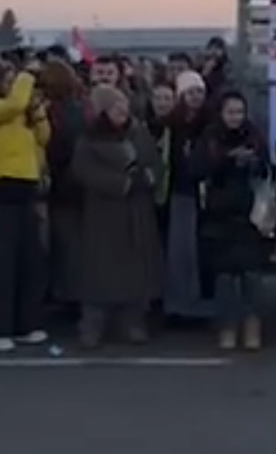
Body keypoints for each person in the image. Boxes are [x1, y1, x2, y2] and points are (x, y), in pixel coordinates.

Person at [71, 85, 163, 348]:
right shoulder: (89, 140)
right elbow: (83, 171)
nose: (122, 111)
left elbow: (155, 163)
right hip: (104, 214)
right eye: (115, 106)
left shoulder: (139, 133)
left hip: (137, 211)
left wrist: (147, 178)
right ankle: (92, 326)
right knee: (100, 273)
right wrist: (120, 183)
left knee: (136, 272)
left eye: (123, 105)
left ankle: (133, 322)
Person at [0, 57, 50, 352]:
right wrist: (27, 76)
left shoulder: (19, 106)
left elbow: (44, 136)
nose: (11, 83)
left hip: (26, 186)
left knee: (30, 260)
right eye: (6, 77)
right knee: (0, 263)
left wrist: (38, 110)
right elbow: (13, 105)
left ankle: (26, 324)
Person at [192, 91, 270, 351]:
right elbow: (196, 170)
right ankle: (227, 326)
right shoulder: (210, 138)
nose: (236, 117)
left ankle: (252, 325)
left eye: (239, 112)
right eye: (231, 112)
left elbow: (267, 169)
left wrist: (252, 162)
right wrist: (226, 161)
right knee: (224, 278)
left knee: (252, 277)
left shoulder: (255, 136)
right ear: (221, 113)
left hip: (250, 216)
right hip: (218, 215)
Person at [163, 70, 212, 323]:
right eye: (190, 92)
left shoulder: (211, 123)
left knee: (202, 252)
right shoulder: (173, 125)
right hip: (182, 192)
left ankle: (200, 301)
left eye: (200, 92)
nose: (196, 97)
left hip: (207, 193)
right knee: (181, 252)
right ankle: (179, 304)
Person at [40, 59, 86, 307]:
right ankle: (70, 294)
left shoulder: (51, 113)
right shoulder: (79, 110)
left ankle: (62, 295)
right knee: (72, 246)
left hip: (58, 185)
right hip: (75, 185)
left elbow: (54, 149)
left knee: (60, 245)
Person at [145, 81, 176, 249]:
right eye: (158, 98)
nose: (162, 103)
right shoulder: (142, 128)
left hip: (174, 192)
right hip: (147, 192)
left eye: (167, 98)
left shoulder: (179, 128)